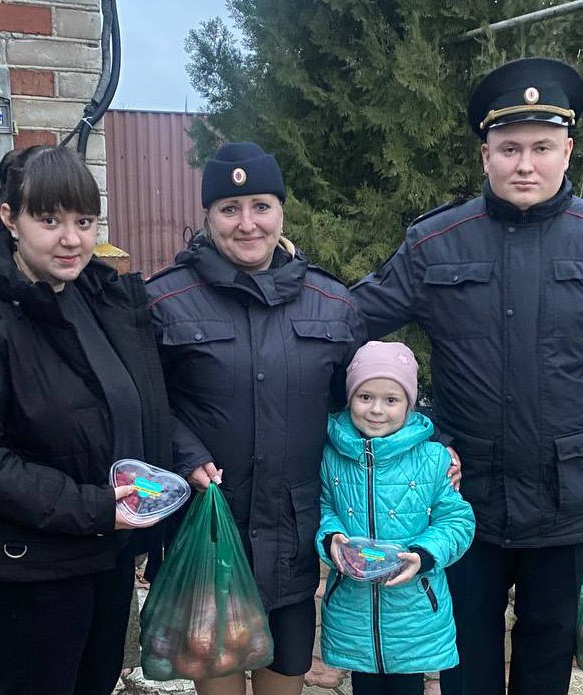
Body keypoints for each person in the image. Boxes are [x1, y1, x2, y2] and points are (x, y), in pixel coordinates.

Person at [351, 57, 583, 695]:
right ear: (486, 155)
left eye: (542, 148)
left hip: (568, 494)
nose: (525, 165)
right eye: (510, 148)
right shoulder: (436, 243)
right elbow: (344, 324)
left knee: (549, 645)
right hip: (464, 494)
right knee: (465, 644)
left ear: (567, 151)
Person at [0, 145, 172, 695]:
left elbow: (138, 404)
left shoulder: (95, 300)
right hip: (27, 565)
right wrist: (94, 507)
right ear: (10, 219)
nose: (72, 239)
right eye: (49, 220)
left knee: (95, 682)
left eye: (84, 221)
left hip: (103, 548)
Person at [146, 141, 365, 695]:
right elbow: (143, 403)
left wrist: (432, 449)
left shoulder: (332, 302)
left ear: (281, 212)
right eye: (230, 209)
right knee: (216, 677)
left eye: (261, 206)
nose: (247, 224)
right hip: (208, 536)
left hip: (292, 538)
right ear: (208, 215)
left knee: (285, 676)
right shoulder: (164, 301)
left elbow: (361, 407)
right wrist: (185, 453)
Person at [316, 341, 476, 695]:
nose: (377, 409)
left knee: (406, 686)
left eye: (391, 399)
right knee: (365, 684)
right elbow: (325, 507)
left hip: (413, 609)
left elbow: (457, 521)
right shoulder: (332, 455)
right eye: (365, 397)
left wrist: (424, 554)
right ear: (349, 398)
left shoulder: (433, 458)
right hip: (353, 606)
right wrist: (332, 538)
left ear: (409, 403)